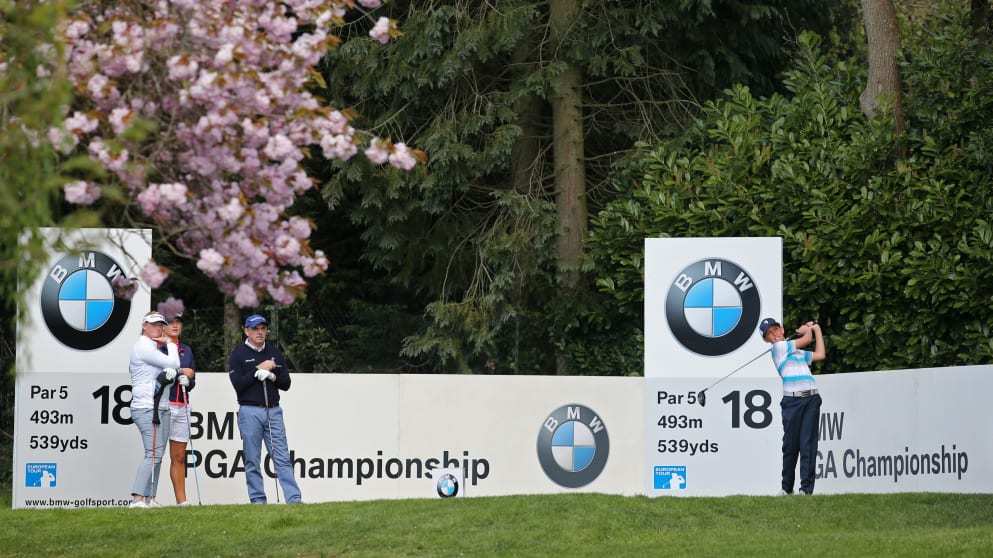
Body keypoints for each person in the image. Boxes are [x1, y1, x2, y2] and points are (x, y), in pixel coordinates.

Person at [228, 314, 302, 504]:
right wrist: (256, 370)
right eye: (255, 329)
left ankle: (294, 499)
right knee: (252, 458)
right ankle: (258, 500)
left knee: (282, 457)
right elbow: (238, 385)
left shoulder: (275, 353)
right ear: (246, 330)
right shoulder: (238, 355)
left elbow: (286, 384)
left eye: (263, 328)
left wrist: (272, 376)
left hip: (273, 410)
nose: (260, 332)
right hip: (249, 410)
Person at [759, 317, 825, 496]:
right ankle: (787, 488)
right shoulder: (778, 348)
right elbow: (806, 339)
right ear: (767, 340)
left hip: (811, 398)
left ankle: (806, 490)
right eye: (769, 335)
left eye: (775, 330)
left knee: (807, 444)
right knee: (790, 446)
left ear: (782, 329)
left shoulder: (796, 351)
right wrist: (807, 330)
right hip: (792, 402)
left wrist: (816, 330)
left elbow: (820, 355)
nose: (774, 335)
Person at [128, 311, 181, 508]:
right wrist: (169, 341)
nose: (158, 328)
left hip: (161, 407)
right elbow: (174, 363)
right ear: (144, 326)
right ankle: (137, 498)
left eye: (161, 325)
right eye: (154, 324)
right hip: (146, 408)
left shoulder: (154, 350)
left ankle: (150, 498)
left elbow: (165, 375)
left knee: (157, 455)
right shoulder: (143, 347)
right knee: (153, 454)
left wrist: (176, 376)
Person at [161, 312, 196, 506]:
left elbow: (193, 380)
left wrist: (188, 381)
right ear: (163, 327)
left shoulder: (186, 350)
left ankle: (181, 502)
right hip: (163, 405)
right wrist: (180, 372)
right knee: (156, 455)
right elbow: (159, 375)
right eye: (170, 322)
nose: (175, 325)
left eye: (178, 322)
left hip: (182, 405)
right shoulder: (158, 349)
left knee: (179, 456)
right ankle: (148, 498)